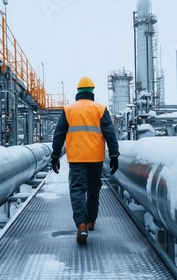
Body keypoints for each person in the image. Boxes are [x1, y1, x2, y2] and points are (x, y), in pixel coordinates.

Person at [51, 76, 119, 245]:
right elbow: (110, 133)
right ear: (92, 92)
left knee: (77, 190)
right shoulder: (100, 109)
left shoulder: (69, 110)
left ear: (78, 92)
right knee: (94, 189)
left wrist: (55, 155)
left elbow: (59, 134)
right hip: (96, 158)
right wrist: (114, 155)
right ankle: (91, 221)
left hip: (76, 157)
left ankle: (81, 224)